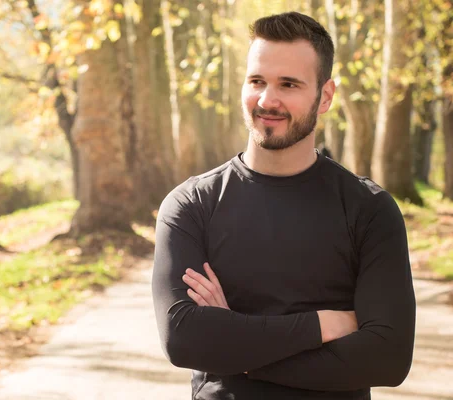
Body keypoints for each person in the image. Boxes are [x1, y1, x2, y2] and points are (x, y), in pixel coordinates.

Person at [152, 11, 416, 400]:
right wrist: (322, 326)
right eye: (256, 81)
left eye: (288, 84)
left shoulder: (369, 209)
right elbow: (184, 338)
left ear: (324, 97)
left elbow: (388, 359)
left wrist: (236, 347)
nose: (267, 100)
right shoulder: (191, 205)